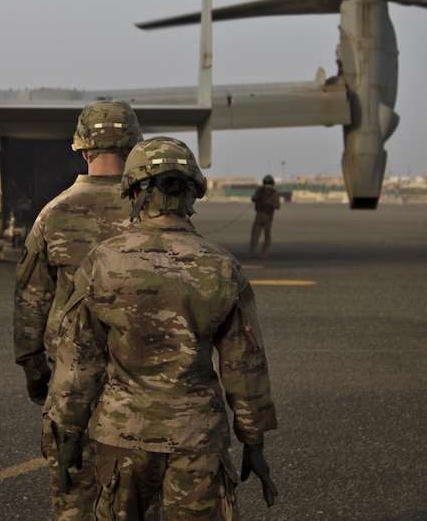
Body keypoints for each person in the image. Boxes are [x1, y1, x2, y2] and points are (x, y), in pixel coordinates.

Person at [48, 137, 278, 520]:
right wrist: (253, 440)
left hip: (121, 439)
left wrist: (68, 429)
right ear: (192, 192)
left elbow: (78, 360)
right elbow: (246, 366)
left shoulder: (103, 263)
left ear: (135, 191)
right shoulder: (221, 267)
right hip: (197, 441)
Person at [13, 99, 143, 520]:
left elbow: (30, 307)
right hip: (146, 393)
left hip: (72, 392)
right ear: (133, 147)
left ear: (83, 151)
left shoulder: (53, 215)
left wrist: (37, 377)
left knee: (75, 505)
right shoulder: (153, 214)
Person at [249, 175, 281, 258]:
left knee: (267, 237)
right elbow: (254, 198)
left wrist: (270, 203)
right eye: (266, 184)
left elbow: (277, 206)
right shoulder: (260, 191)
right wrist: (258, 199)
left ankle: (265, 253)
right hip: (259, 217)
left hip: (268, 218)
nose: (267, 186)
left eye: (269, 184)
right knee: (255, 236)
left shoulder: (274, 193)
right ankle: (252, 252)